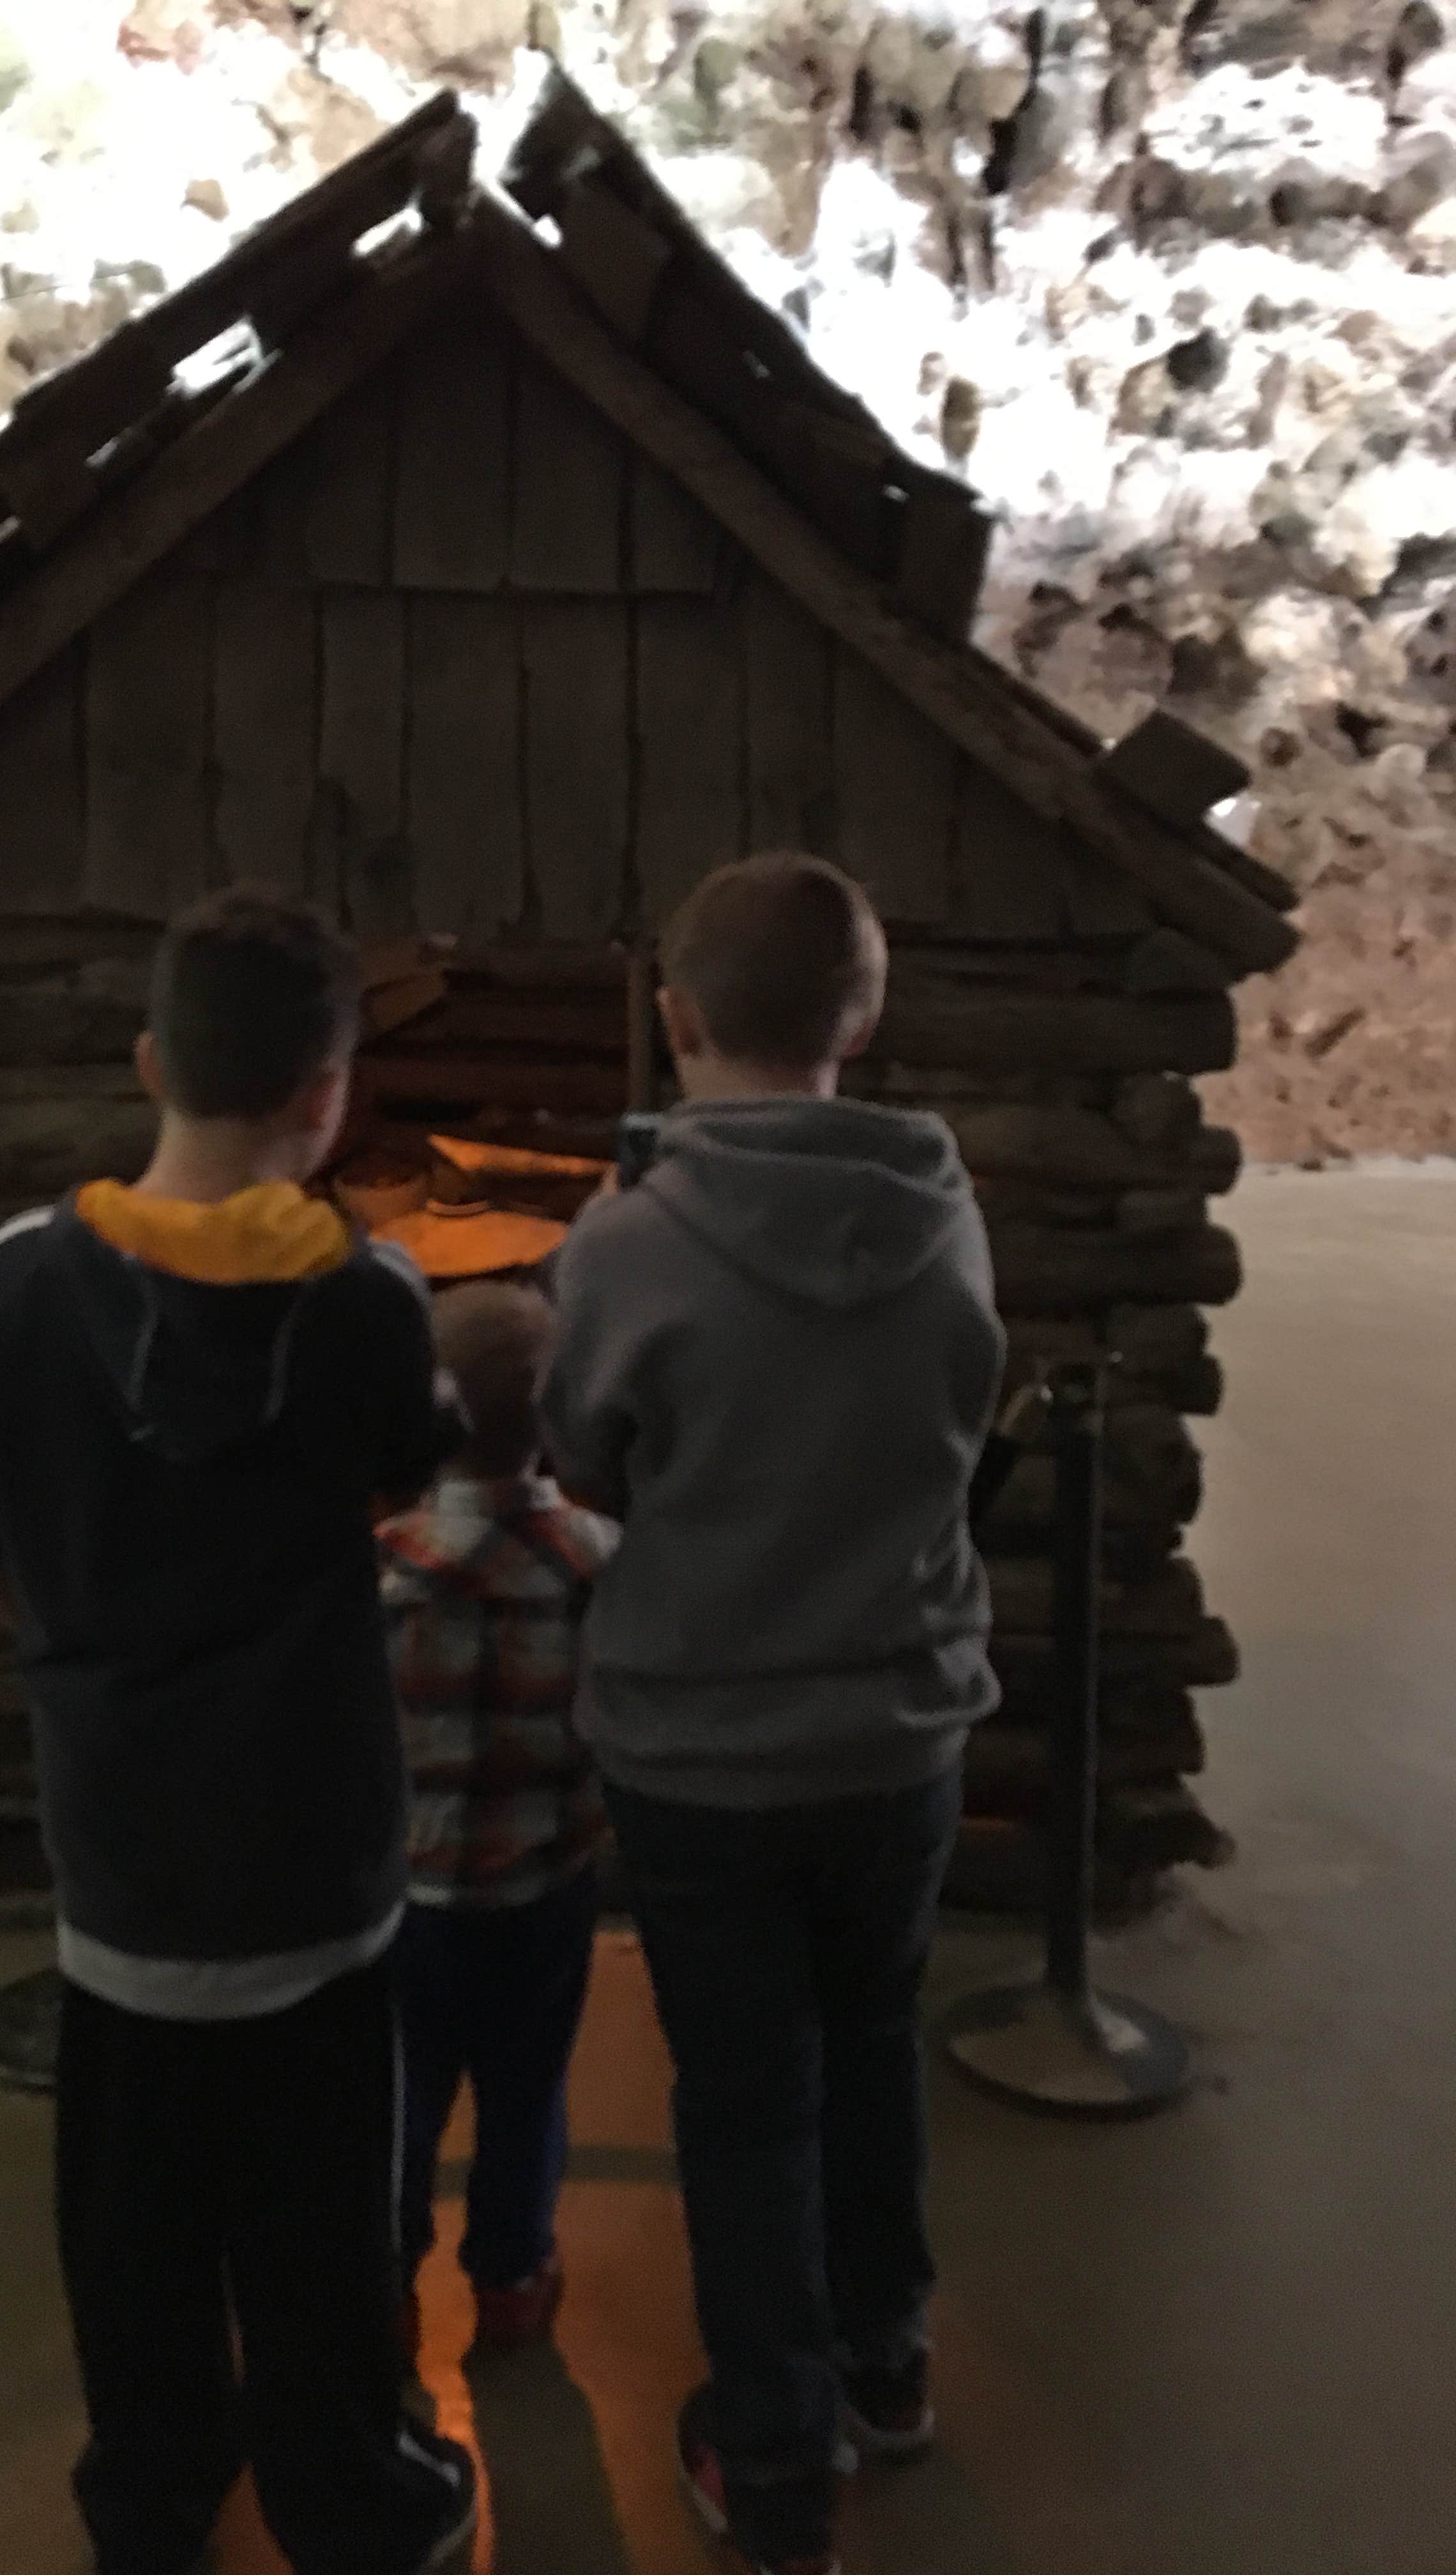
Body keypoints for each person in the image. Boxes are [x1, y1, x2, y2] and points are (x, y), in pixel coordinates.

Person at [0, 888, 476, 2575]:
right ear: (333, 1096)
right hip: (315, 1857)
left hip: (124, 1866)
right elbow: (397, 1479)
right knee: (327, 2222)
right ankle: (350, 2498)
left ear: (149, 1058)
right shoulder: (369, 1299)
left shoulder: (15, 1284)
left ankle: (151, 2500)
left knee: (131, 2226)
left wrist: (74, 1646)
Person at [543, 853, 1005, 2575]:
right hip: (901, 1731)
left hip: (701, 1755)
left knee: (743, 2103)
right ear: (864, 1019)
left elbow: (587, 1457)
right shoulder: (949, 1214)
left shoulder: (624, 1243)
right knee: (875, 2045)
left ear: (674, 1021)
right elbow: (964, 1407)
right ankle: (885, 2373)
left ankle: (776, 2465)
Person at [378, 1282, 618, 2367]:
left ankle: (384, 2280)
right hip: (542, 1891)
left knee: (398, 2098)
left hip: (406, 1898)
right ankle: (513, 2276)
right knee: (528, 2090)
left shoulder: (380, 1567)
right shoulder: (595, 1558)